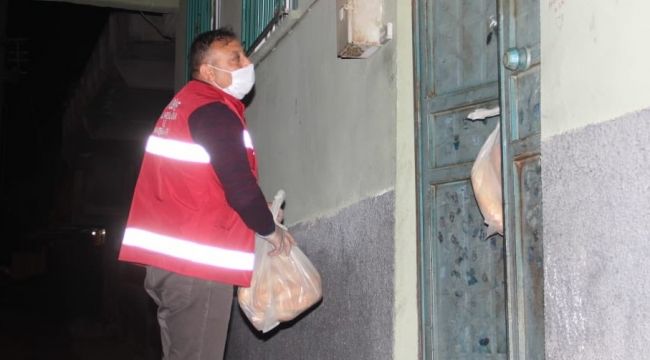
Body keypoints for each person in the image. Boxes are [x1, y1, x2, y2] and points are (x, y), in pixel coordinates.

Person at [117, 28, 295, 360]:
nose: (247, 62)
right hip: (196, 270)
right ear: (209, 71)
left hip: (173, 265)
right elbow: (238, 184)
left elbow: (201, 185)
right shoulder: (212, 111)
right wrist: (270, 231)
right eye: (235, 58)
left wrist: (260, 209)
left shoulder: (185, 106)